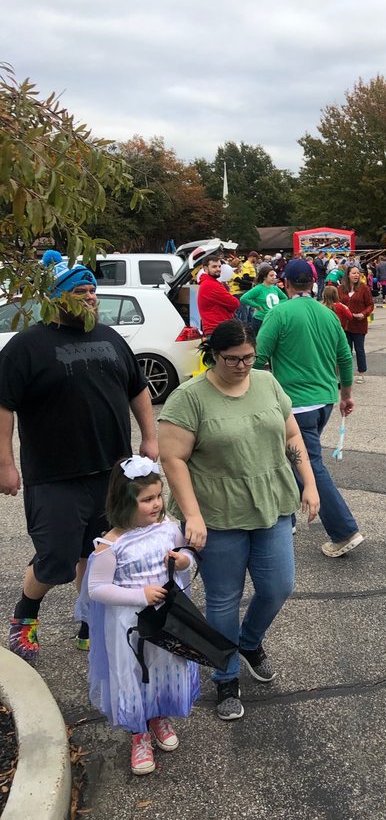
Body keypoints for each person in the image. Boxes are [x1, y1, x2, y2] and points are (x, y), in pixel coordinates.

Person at [0, 251, 158, 664]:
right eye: (80, 292)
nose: (90, 298)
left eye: (93, 291)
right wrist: (5, 463)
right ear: (56, 298)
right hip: (54, 475)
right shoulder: (25, 346)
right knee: (55, 559)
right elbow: (3, 406)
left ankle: (89, 619)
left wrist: (149, 438)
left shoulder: (110, 338)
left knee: (100, 552)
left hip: (111, 472)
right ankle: (24, 616)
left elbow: (137, 388)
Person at [158, 320, 319, 721]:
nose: (243, 365)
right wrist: (192, 514)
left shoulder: (266, 382)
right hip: (218, 512)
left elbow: (292, 436)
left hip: (271, 504)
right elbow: (172, 459)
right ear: (214, 354)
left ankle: (248, 642)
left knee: (279, 586)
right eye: (234, 359)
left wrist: (309, 484)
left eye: (249, 357)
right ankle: (225, 675)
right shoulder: (189, 398)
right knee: (224, 599)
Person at [81, 456, 200, 776]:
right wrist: (139, 595)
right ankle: (139, 733)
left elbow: (187, 554)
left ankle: (159, 716)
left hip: (167, 621)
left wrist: (184, 560)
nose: (156, 504)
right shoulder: (110, 545)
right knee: (135, 675)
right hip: (129, 627)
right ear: (124, 501)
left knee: (165, 668)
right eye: (147, 499)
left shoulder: (168, 528)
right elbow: (97, 589)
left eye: (158, 496)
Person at [254, 259, 363, 558]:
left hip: (294, 404)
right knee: (291, 460)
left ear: (285, 283)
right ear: (312, 284)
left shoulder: (278, 314)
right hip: (325, 400)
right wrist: (346, 394)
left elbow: (259, 357)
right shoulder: (328, 314)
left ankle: (344, 531)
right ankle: (286, 517)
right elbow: (344, 356)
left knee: (309, 465)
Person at [339, 265, 374, 384]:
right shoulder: (341, 288)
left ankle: (361, 373)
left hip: (359, 325)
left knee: (359, 349)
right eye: (354, 273)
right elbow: (337, 303)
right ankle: (346, 374)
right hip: (344, 325)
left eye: (358, 273)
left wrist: (364, 314)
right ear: (348, 275)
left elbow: (370, 305)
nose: (356, 275)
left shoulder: (364, 289)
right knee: (346, 351)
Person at [197, 253, 241, 334]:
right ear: (205, 268)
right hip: (217, 330)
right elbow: (235, 303)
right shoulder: (210, 284)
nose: (218, 269)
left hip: (218, 328)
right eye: (214, 266)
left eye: (219, 266)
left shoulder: (211, 282)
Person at [240, 264, 288, 336]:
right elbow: (243, 298)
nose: (274, 277)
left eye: (274, 275)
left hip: (273, 319)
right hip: (260, 320)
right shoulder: (258, 288)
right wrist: (256, 305)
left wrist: (277, 305)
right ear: (265, 277)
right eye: (271, 276)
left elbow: (285, 298)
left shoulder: (275, 288)